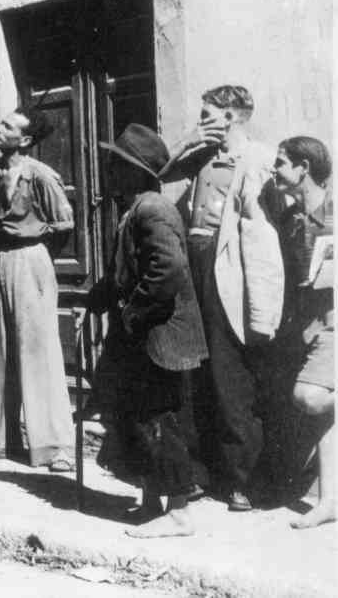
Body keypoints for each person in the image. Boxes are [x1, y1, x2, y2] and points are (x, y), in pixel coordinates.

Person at [159, 85, 284, 511]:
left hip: (229, 269)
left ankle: (243, 481)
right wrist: (191, 138)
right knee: (193, 371)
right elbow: (157, 170)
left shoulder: (261, 158)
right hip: (192, 266)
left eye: (208, 113)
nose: (202, 118)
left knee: (231, 376)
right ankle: (199, 471)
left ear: (230, 117)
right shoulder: (199, 155)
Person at [89, 124, 208, 538]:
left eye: (114, 164)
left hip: (160, 335)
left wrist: (130, 313)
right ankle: (152, 502)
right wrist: (101, 296)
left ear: (134, 171)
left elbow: (167, 270)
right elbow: (131, 269)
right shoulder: (137, 207)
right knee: (140, 418)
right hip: (145, 333)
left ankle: (177, 514)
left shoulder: (152, 208)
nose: (107, 170)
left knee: (161, 420)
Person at [0, 107, 76, 472]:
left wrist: (33, 246)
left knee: (38, 351)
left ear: (25, 140)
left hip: (31, 262)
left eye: (8, 127)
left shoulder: (41, 175)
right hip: (0, 261)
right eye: (0, 123)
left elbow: (64, 224)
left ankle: (54, 445)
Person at [269, 136, 334, 528]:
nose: (274, 170)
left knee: (309, 398)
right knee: (321, 413)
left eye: (280, 163)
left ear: (303, 167)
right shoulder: (290, 219)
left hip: (334, 324)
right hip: (304, 327)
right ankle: (330, 501)